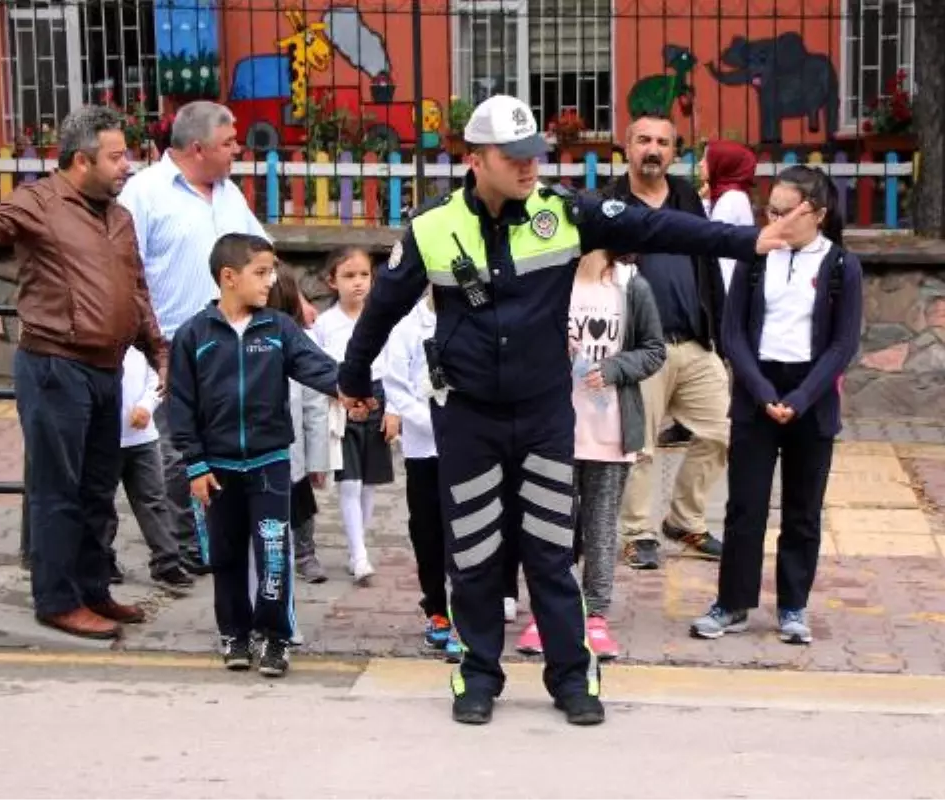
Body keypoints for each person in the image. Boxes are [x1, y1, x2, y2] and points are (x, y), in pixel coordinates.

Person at [336, 94, 803, 726]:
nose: (530, 166)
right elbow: (384, 307)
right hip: (467, 418)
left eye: (536, 154)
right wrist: (353, 377)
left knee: (551, 551)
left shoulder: (564, 211)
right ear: (476, 159)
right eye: (515, 156)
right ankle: (478, 674)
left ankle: (571, 675)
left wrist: (749, 242)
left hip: (544, 415)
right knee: (473, 555)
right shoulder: (431, 227)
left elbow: (658, 227)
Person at [0, 106, 166, 640]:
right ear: (79, 160)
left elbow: (135, 291)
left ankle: (92, 589)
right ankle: (57, 599)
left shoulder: (119, 216)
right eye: (115, 157)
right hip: (54, 367)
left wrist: (158, 349)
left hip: (105, 368)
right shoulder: (38, 201)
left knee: (95, 489)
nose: (127, 166)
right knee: (57, 489)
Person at [690, 166, 863, 646]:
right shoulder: (758, 256)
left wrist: (801, 397)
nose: (776, 220)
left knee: (803, 511)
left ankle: (793, 605)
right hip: (756, 389)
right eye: (771, 210)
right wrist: (764, 393)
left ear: (818, 214)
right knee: (744, 505)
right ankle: (733, 602)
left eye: (787, 213)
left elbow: (842, 344)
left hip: (812, 393)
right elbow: (732, 333)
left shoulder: (842, 266)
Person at [168, 233, 345, 676]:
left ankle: (275, 638)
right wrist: (195, 463)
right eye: (261, 272)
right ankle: (235, 633)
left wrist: (357, 389)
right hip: (216, 469)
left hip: (269, 463)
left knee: (272, 552)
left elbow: (318, 367)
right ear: (229, 278)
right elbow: (181, 407)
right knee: (225, 556)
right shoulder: (194, 335)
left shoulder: (279, 329)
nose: (271, 281)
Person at [119, 101, 270, 576]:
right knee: (175, 452)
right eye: (229, 143)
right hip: (168, 348)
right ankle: (181, 548)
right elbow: (126, 268)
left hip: (230, 344)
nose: (237, 150)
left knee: (218, 446)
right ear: (198, 148)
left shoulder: (228, 194)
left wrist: (292, 300)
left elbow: (258, 250)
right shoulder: (143, 193)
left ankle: (214, 541)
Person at [514, 249, 666, 660]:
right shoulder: (552, 280)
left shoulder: (631, 284)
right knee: (552, 528)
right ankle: (547, 612)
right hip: (555, 429)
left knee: (600, 528)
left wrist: (615, 369)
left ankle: (595, 614)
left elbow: (654, 349)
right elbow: (518, 337)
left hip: (611, 429)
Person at [604, 114, 733, 569]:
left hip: (694, 342)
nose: (652, 149)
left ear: (674, 152)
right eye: (643, 140)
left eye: (662, 142)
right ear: (626, 147)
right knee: (639, 445)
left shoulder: (685, 199)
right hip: (638, 348)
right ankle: (637, 534)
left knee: (718, 432)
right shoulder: (609, 204)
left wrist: (721, 336)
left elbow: (710, 264)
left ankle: (685, 521)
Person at [313, 247, 400, 586]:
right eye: (349, 276)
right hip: (341, 400)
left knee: (369, 482)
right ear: (331, 281)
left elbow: (395, 367)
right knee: (348, 480)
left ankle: (356, 547)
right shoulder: (324, 324)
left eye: (364, 275)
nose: (358, 283)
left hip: (377, 395)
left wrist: (393, 409)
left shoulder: (381, 319)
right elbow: (318, 368)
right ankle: (360, 553)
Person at [384, 288, 462, 662]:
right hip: (423, 447)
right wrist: (432, 421)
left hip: (469, 445)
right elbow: (396, 385)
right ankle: (436, 609)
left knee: (466, 531)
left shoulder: (473, 316)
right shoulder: (406, 327)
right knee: (428, 531)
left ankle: (468, 613)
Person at [103, 346, 196, 590]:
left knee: (154, 500)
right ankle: (102, 559)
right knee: (102, 504)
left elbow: (157, 377)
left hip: (143, 438)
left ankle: (167, 562)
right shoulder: (99, 345)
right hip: (105, 439)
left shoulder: (142, 347)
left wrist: (146, 405)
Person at [265, 265, 332, 584]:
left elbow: (315, 406)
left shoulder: (299, 342)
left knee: (301, 502)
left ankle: (306, 553)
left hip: (294, 451)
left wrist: (318, 460)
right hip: (257, 449)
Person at [700, 139, 757, 293]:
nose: (700, 164)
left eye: (706, 159)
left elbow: (707, 240)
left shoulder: (730, 200)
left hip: (726, 288)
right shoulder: (730, 195)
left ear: (723, 164)